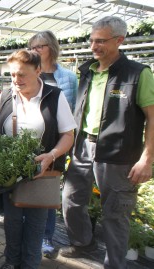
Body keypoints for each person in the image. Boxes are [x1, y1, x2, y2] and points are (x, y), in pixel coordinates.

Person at [60, 16, 154, 269]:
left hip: (118, 154)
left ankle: (114, 264)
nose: (93, 46)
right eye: (92, 40)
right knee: (70, 199)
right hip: (82, 148)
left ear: (119, 40)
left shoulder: (137, 73)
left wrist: (146, 159)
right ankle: (82, 243)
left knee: (115, 213)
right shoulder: (87, 71)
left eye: (101, 41)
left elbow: (152, 117)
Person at [0, 50, 76, 269]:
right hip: (10, 174)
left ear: (38, 71)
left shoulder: (54, 96)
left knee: (35, 225)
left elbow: (68, 135)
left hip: (42, 173)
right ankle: (11, 262)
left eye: (22, 74)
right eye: (12, 74)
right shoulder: (5, 96)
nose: (16, 80)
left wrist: (50, 156)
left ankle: (30, 264)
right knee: (11, 222)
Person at [27, 30, 78, 259]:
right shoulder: (28, 74)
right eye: (33, 47)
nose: (37, 50)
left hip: (56, 143)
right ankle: (29, 236)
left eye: (41, 46)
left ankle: (46, 238)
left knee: (49, 191)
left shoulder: (67, 77)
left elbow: (74, 109)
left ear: (52, 48)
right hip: (29, 143)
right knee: (28, 189)